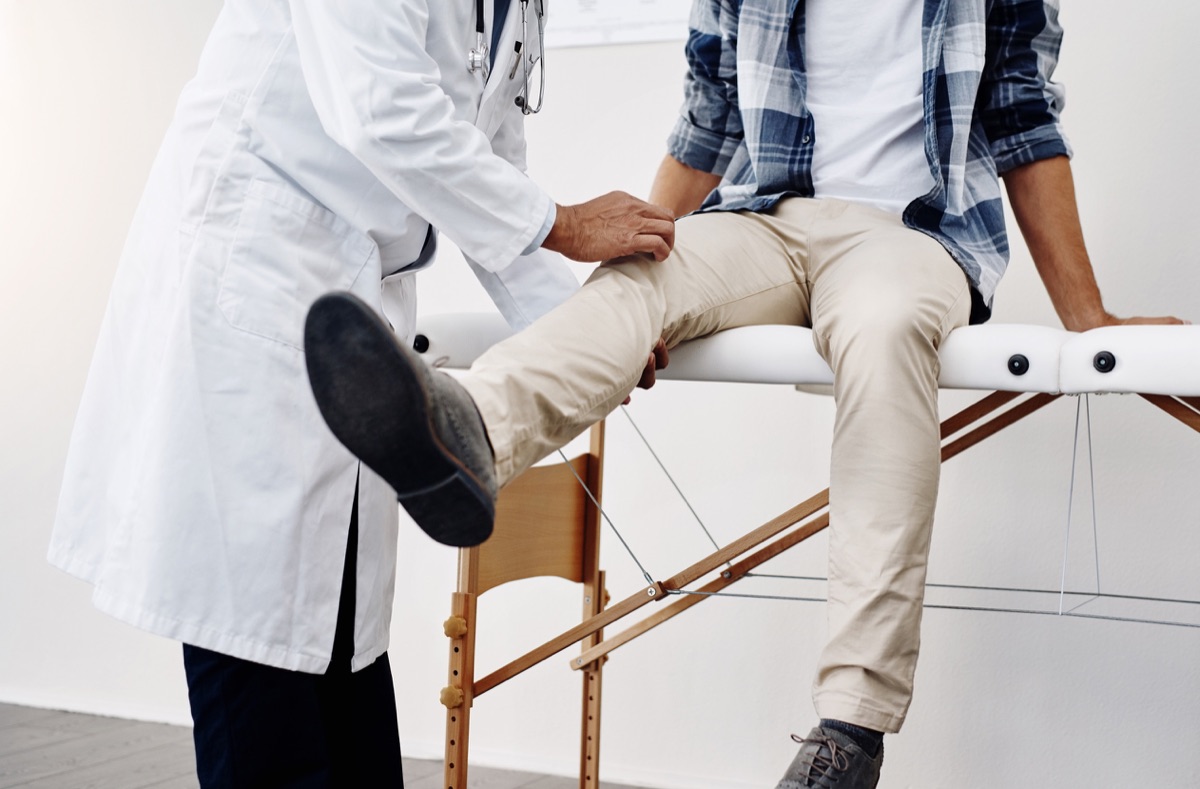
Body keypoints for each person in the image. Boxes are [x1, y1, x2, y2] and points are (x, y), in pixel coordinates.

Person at [305, 0, 1187, 787]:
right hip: (765, 218)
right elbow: (709, 116)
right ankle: (471, 437)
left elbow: (1023, 119)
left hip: (912, 236)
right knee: (638, 278)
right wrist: (647, 247)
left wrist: (1088, 317)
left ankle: (852, 725)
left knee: (884, 331)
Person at [47, 1, 674, 787]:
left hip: (354, 296)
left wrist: (584, 328)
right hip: (255, 271)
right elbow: (382, 111)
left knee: (340, 641)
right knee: (258, 647)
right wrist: (565, 224)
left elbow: (490, 162)